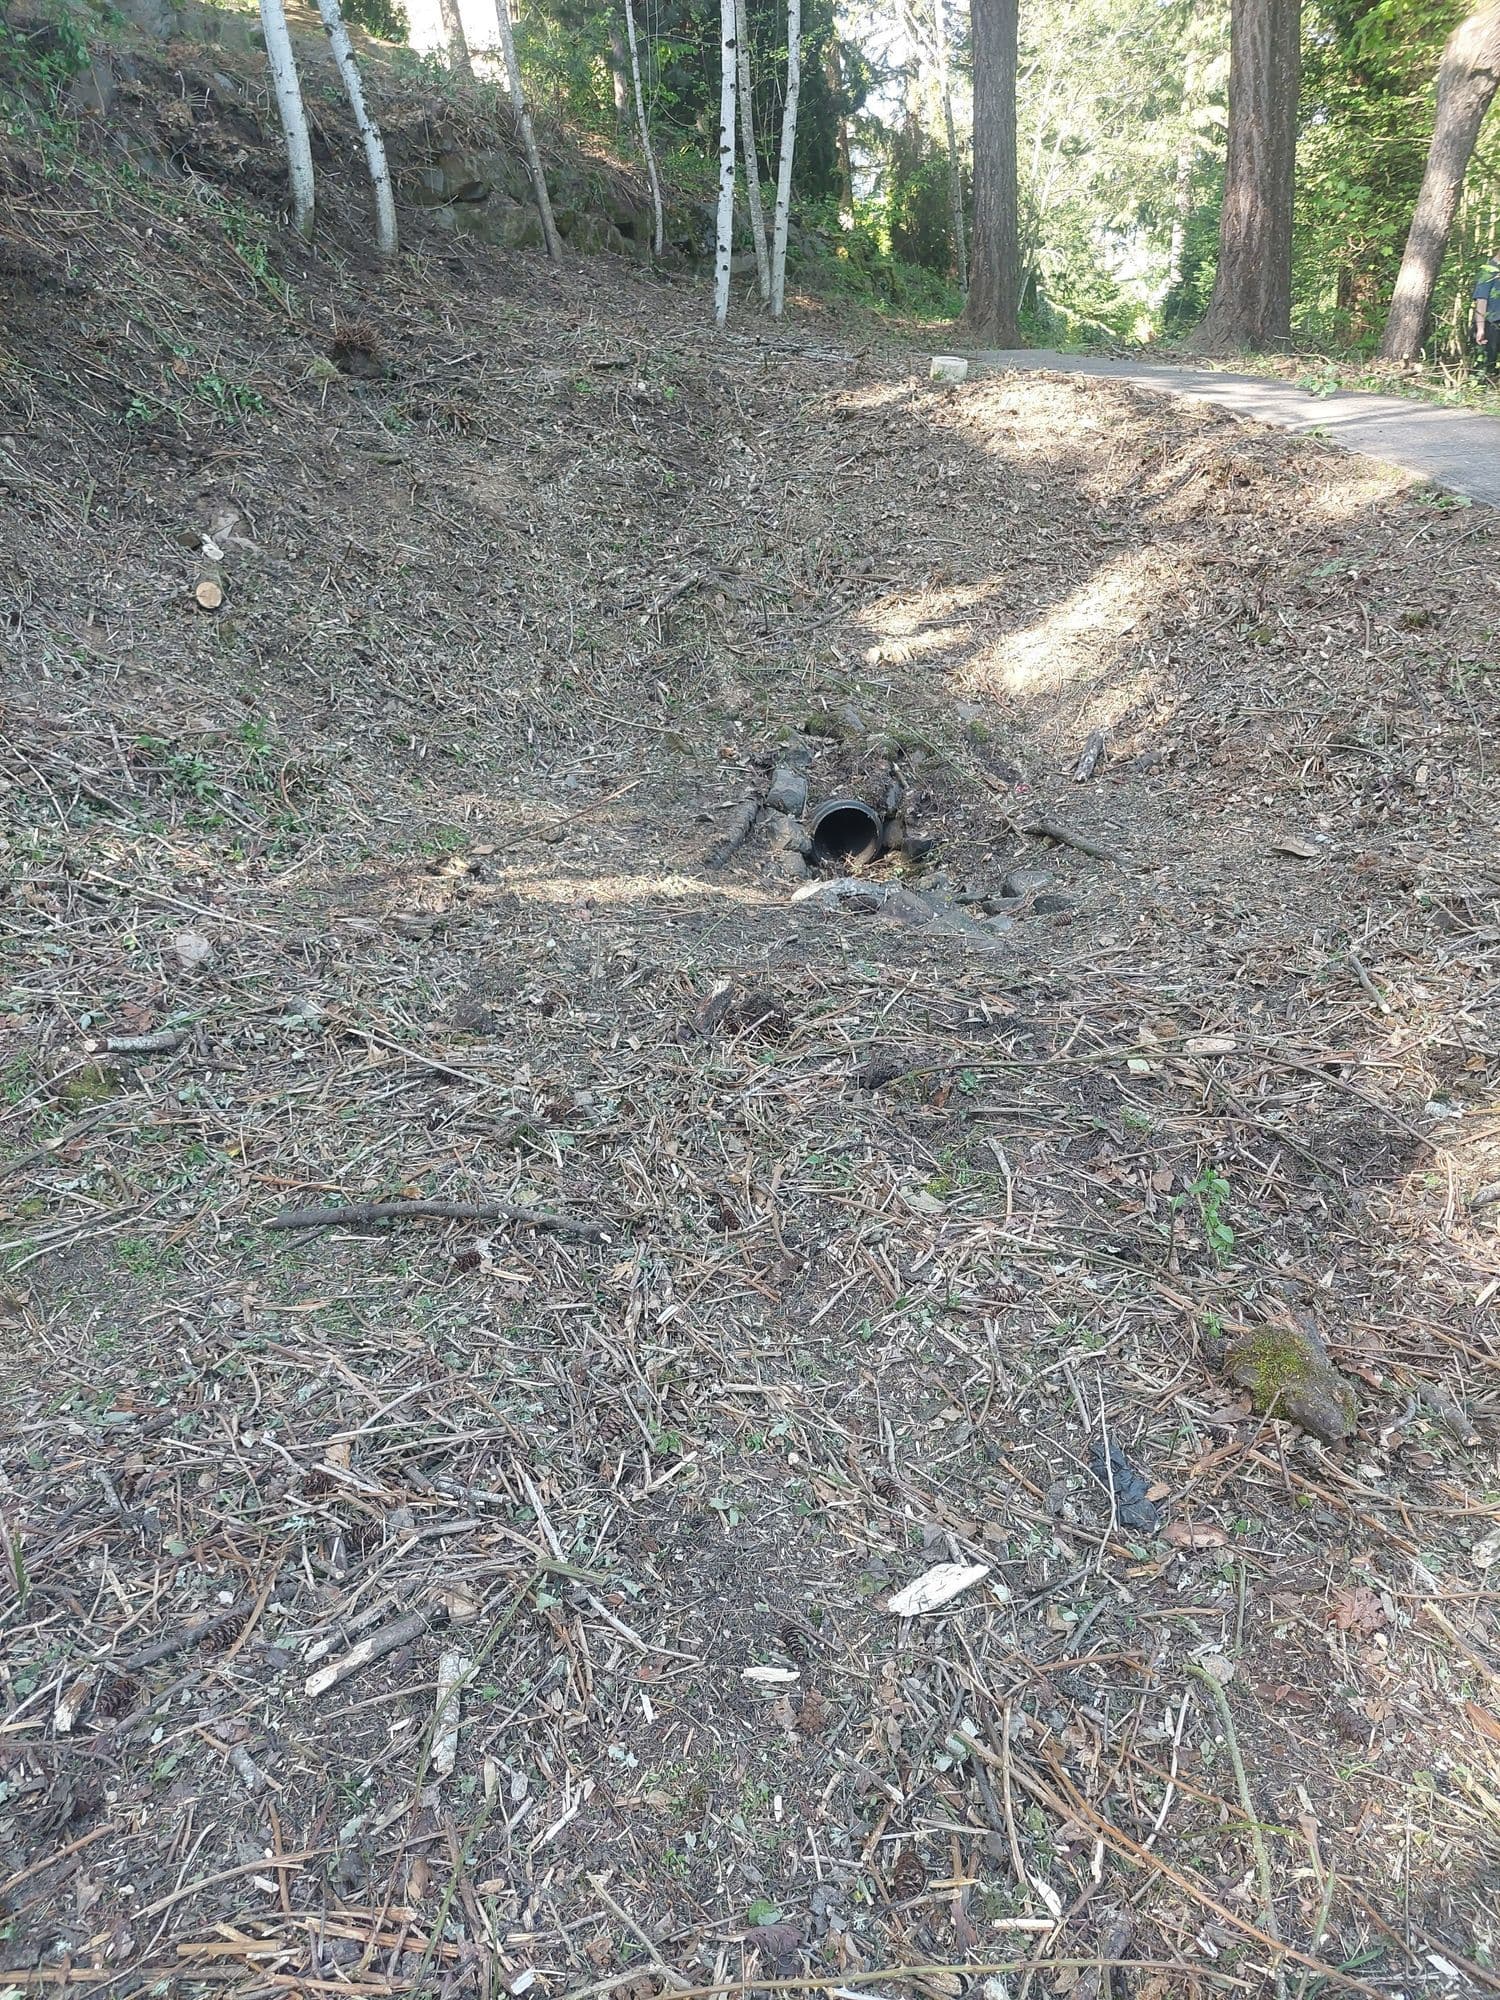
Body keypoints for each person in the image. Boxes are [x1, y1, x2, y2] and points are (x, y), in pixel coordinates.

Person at [1473, 253, 1500, 376]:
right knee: (1489, 360)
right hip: (1492, 323)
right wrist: (1480, 328)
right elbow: (1481, 300)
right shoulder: (1488, 271)